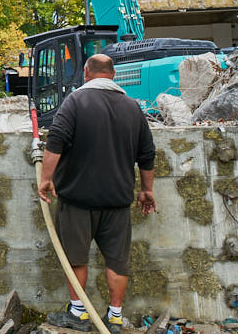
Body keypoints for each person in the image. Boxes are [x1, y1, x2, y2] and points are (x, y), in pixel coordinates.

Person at [38, 54, 157, 334]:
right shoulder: (132, 107)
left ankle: (78, 314)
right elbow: (147, 153)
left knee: (76, 257)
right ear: (113, 75)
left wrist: (46, 178)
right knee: (118, 260)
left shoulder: (76, 101)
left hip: (78, 200)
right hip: (117, 201)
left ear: (86, 73)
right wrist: (147, 190)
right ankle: (114, 317)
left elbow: (55, 141)